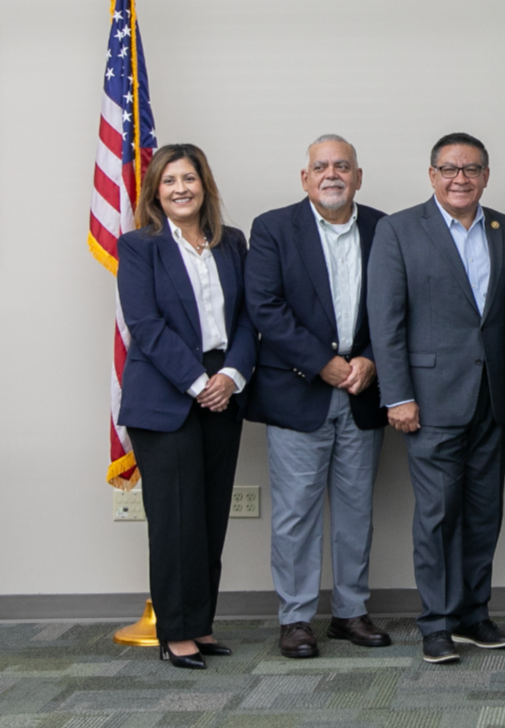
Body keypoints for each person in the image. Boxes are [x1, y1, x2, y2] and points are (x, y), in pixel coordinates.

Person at [368, 132, 505, 665]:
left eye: (472, 169)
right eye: (450, 169)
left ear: (486, 175)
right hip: (428, 401)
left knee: (484, 512)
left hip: (491, 399)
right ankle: (435, 622)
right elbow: (385, 322)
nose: (461, 178)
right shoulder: (398, 230)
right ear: (432, 175)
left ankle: (472, 615)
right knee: (436, 515)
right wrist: (397, 396)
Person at [244, 135, 390, 659]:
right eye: (321, 167)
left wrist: (370, 357)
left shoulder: (382, 227)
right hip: (298, 390)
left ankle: (350, 612)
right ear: (304, 178)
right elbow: (264, 306)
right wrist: (321, 362)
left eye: (342, 166)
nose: (332, 174)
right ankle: (297, 618)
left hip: (362, 390)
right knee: (295, 513)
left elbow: (399, 305)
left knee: (356, 511)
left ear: (357, 176)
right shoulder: (273, 228)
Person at [117, 143, 257, 670]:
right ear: (156, 190)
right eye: (170, 180)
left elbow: (248, 317)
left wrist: (230, 376)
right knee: (175, 522)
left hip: (225, 389)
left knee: (209, 517)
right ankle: (174, 633)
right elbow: (146, 327)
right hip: (166, 397)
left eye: (190, 179)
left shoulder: (232, 243)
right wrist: (199, 382)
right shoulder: (138, 247)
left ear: (205, 186)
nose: (181, 188)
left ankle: (199, 624)